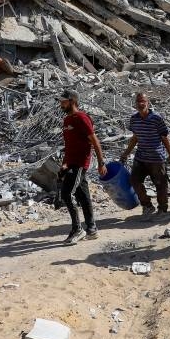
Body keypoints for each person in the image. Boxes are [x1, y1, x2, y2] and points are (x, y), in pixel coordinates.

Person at [58, 89, 107, 245]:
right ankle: (92, 229)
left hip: (79, 163)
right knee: (83, 195)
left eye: (64, 101)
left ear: (72, 101)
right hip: (70, 162)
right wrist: (64, 163)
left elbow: (94, 140)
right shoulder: (66, 121)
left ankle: (77, 229)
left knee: (66, 194)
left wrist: (101, 162)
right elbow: (69, 145)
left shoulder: (81, 118)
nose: (61, 104)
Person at [120, 92, 170, 220]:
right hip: (141, 157)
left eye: (143, 101)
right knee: (134, 180)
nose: (140, 104)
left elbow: (165, 137)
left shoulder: (156, 118)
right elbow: (135, 138)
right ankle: (147, 206)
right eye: (138, 101)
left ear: (148, 103)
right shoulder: (134, 119)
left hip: (156, 158)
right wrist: (126, 153)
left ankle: (163, 210)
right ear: (135, 104)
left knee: (160, 184)